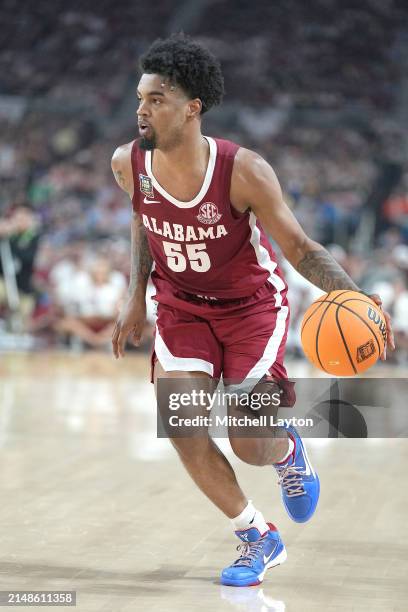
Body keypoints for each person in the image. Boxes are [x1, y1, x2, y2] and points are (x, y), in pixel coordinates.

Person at [110, 34, 394, 587]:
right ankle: (257, 536)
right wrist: (134, 295)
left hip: (251, 310)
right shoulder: (128, 163)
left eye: (157, 98)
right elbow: (143, 219)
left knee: (248, 442)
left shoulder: (244, 170)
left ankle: (286, 449)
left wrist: (354, 296)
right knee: (183, 423)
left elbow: (301, 248)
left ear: (191, 108)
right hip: (179, 307)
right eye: (140, 97)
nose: (142, 109)